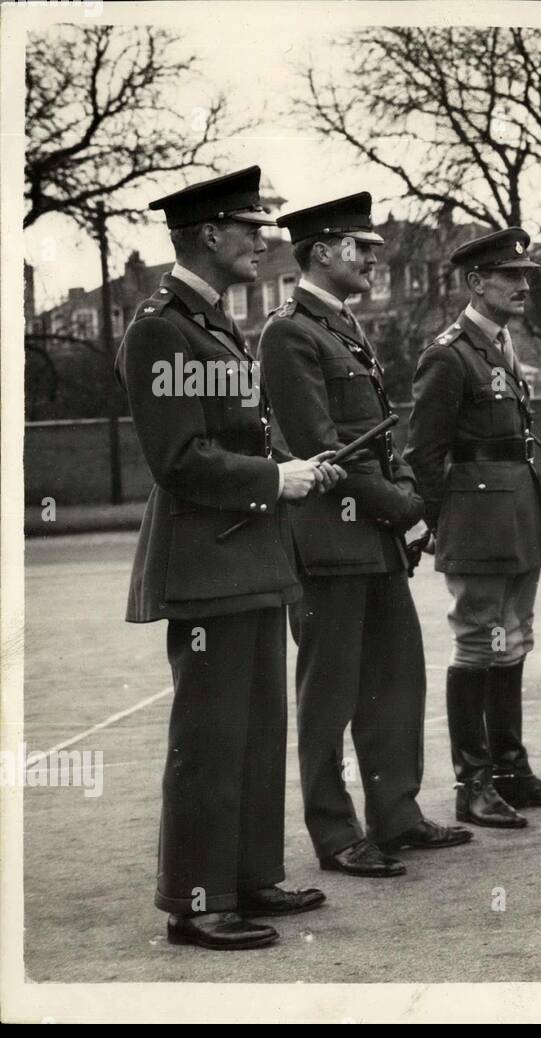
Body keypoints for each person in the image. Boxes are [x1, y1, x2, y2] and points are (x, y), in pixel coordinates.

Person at [118, 166, 346, 950]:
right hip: (207, 562)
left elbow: (233, 438)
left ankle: (248, 878)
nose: (265, 239)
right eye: (250, 227)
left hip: (245, 555)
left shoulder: (211, 321)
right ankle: (196, 901)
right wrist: (275, 478)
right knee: (211, 736)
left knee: (255, 727)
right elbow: (178, 459)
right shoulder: (161, 327)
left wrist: (287, 468)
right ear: (208, 234)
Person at [259, 193, 473, 879]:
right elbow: (324, 448)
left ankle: (396, 815)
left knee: (395, 679)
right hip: (328, 541)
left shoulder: (343, 328)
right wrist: (405, 508)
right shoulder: (289, 332)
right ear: (322, 251)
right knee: (330, 695)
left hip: (371, 538)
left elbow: (380, 439)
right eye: (363, 248)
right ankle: (336, 833)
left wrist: (408, 496)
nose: (376, 259)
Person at [405, 227, 541, 830]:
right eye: (512, 276)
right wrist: (440, 526)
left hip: (517, 514)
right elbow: (424, 456)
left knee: (515, 636)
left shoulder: (501, 345)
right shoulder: (449, 354)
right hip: (477, 521)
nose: (524, 285)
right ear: (477, 284)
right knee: (479, 641)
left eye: (527, 275)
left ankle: (511, 771)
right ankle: (472, 784)